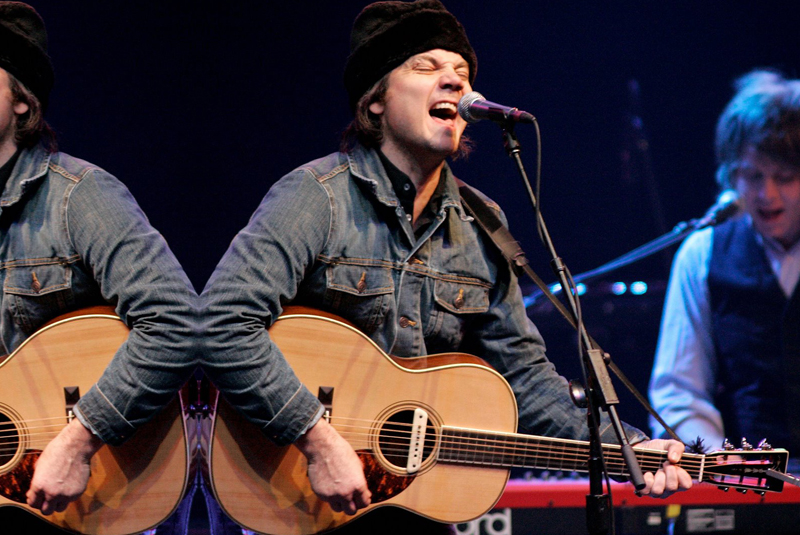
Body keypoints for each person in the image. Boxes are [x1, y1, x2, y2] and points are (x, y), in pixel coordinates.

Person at [201, 1, 691, 533]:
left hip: (409, 505)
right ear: (375, 101)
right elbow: (221, 324)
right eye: (426, 66)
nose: (454, 82)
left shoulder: (483, 223)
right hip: (288, 498)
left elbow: (522, 376)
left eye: (461, 72)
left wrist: (630, 448)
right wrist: (317, 439)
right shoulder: (316, 198)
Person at [0, 2, 197, 530]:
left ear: (22, 99)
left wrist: (79, 440)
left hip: (80, 501)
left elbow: (178, 323)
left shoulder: (80, 197)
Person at [649, 70, 800, 461]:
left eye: (785, 177)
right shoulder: (702, 253)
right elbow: (679, 393)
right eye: (753, 176)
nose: (767, 194)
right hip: (750, 482)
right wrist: (718, 461)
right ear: (732, 174)